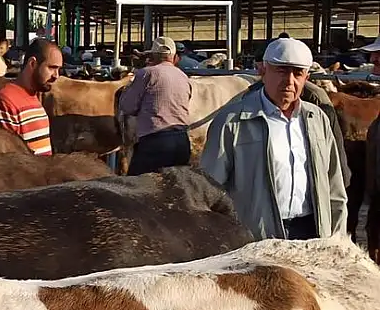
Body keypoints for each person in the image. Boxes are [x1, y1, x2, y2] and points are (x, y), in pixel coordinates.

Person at [200, 37, 347, 240]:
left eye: (298, 73)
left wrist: (336, 237)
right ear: (263, 71)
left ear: (306, 77)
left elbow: (334, 186)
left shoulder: (316, 119)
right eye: (281, 71)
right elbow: (210, 189)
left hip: (312, 232)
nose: (289, 81)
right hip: (257, 237)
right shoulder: (233, 121)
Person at [118, 36, 193, 175]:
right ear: (175, 57)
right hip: (182, 140)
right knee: (176, 187)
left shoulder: (147, 73)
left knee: (138, 186)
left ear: (152, 55)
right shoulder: (183, 76)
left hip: (156, 141)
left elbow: (128, 106)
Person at [0, 37, 57, 156]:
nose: (56, 76)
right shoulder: (4, 102)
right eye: (52, 68)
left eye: (59, 69)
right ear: (32, 63)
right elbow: (8, 160)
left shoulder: (33, 97)